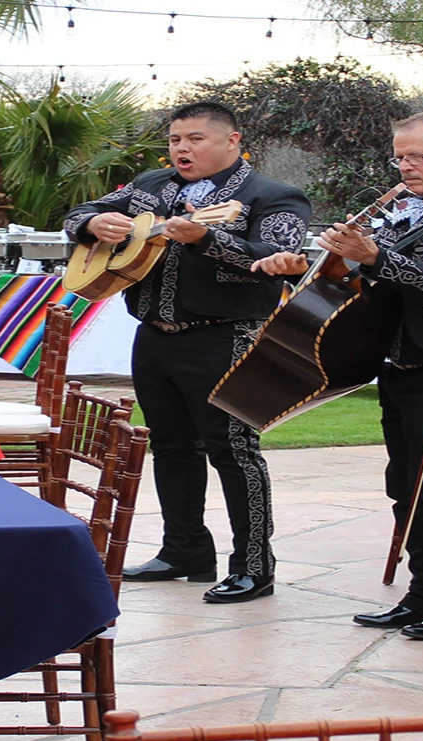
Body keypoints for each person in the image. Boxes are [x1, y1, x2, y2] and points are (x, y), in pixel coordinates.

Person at [254, 111, 423, 636]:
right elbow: (373, 280)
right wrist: (333, 262)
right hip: (399, 360)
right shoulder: (409, 209)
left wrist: (377, 256)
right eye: (400, 156)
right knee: (405, 487)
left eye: (417, 156)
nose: (405, 166)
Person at [64, 101, 311, 603]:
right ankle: (185, 550)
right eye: (176, 139)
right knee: (171, 447)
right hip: (154, 335)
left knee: (234, 450)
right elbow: (79, 214)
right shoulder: (151, 187)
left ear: (232, 141)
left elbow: (274, 260)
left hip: (228, 336)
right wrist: (93, 226)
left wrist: (206, 239)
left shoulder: (273, 196)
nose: (182, 149)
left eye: (195, 139)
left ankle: (254, 565)